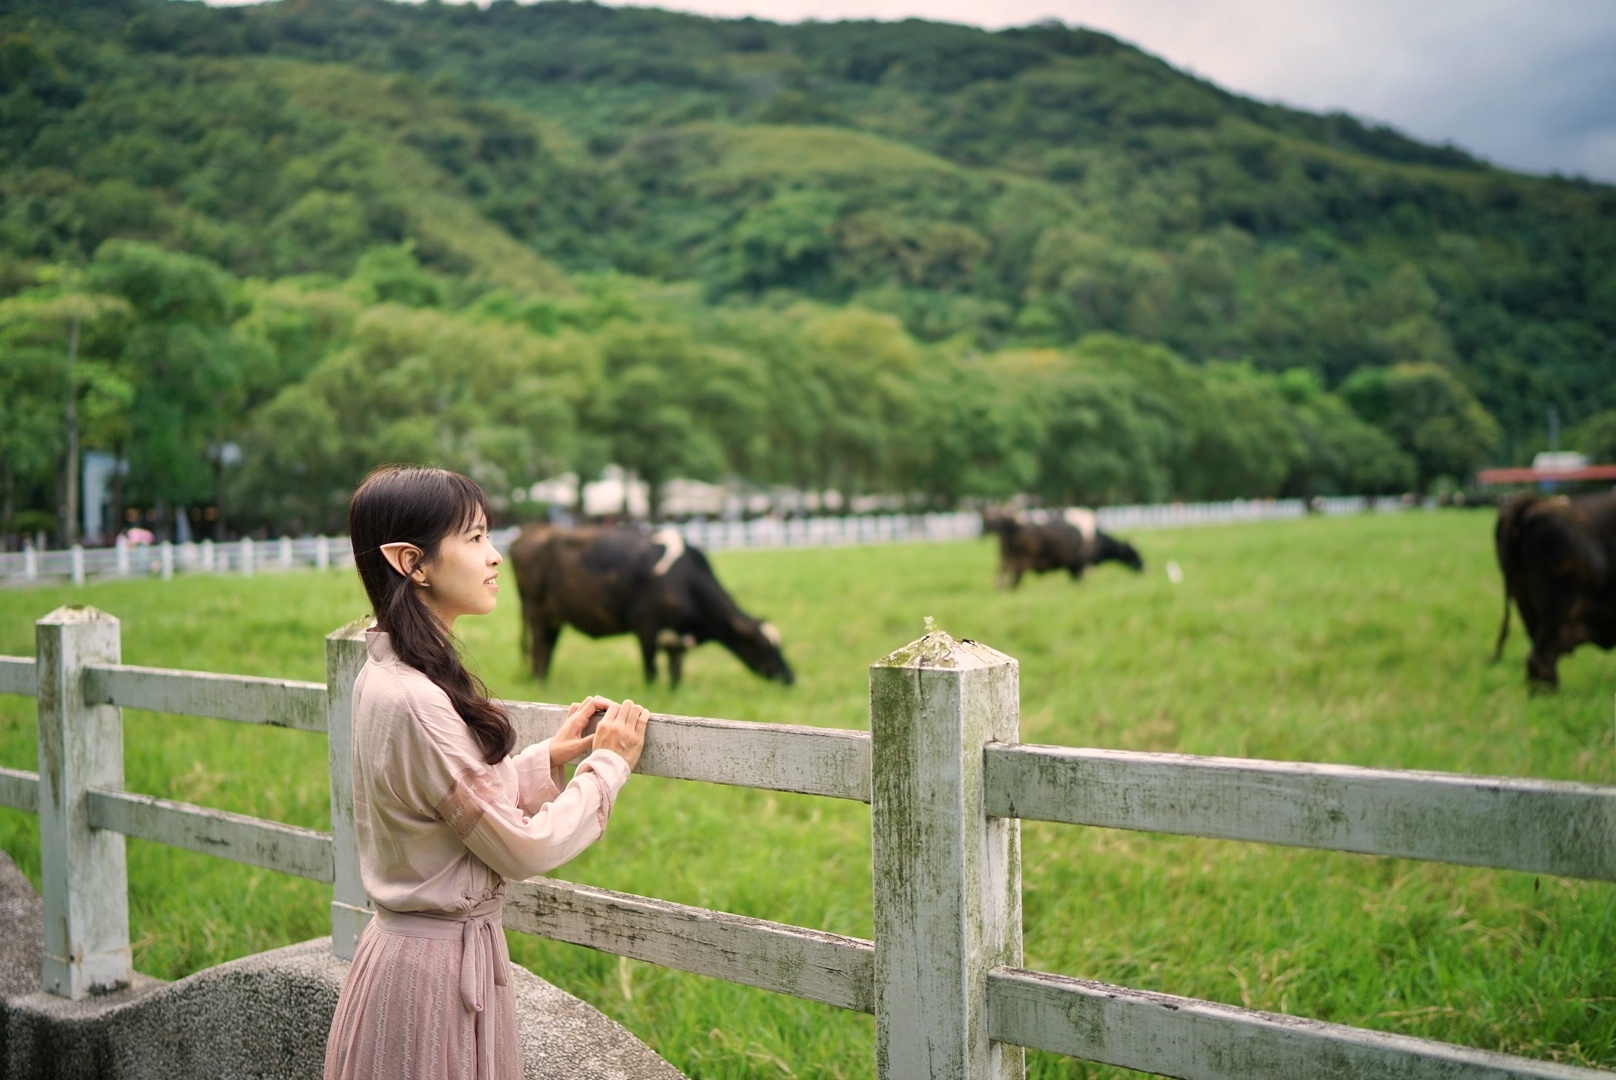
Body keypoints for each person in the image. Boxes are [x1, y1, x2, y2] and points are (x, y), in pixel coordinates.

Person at [324, 465, 648, 1080]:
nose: (496, 557)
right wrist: (606, 766)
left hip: (414, 961)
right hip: (432, 986)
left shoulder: (388, 676)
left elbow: (440, 805)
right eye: (473, 539)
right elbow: (524, 849)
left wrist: (545, 760)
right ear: (410, 562)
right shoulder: (416, 700)